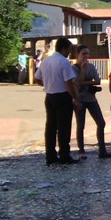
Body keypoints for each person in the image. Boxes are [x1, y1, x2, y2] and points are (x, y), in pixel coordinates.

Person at [34, 37, 81, 165]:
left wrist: (47, 84)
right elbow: (69, 83)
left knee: (51, 127)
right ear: (64, 49)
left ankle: (50, 156)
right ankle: (64, 155)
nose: (70, 52)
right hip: (63, 96)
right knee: (64, 127)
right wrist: (76, 98)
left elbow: (37, 78)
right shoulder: (64, 62)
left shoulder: (46, 61)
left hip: (50, 96)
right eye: (69, 49)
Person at [73, 45, 110, 159]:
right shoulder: (73, 68)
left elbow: (97, 81)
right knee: (81, 125)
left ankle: (102, 150)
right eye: (83, 53)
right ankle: (81, 150)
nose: (86, 56)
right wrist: (83, 70)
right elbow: (77, 82)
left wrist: (84, 83)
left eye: (87, 53)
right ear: (78, 55)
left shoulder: (91, 66)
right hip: (80, 99)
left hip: (91, 99)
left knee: (101, 123)